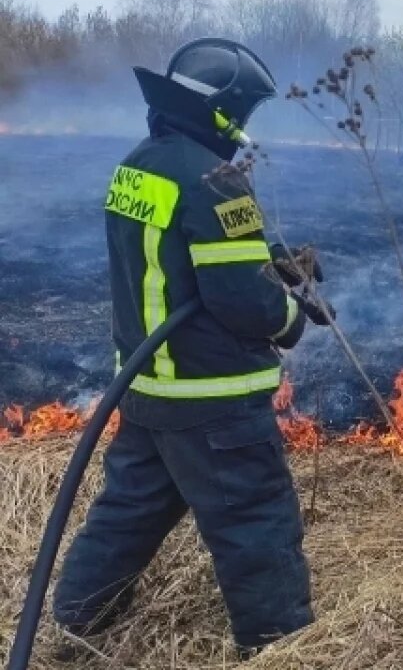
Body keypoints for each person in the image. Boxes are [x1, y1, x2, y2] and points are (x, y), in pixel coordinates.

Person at [53, 38, 328, 656]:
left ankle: (75, 617)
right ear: (222, 114)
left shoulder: (137, 166)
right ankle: (279, 644)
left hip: (148, 388)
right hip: (213, 398)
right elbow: (243, 299)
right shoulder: (216, 180)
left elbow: (177, 259)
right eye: (242, 115)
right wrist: (291, 316)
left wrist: (270, 258)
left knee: (128, 512)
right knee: (255, 519)